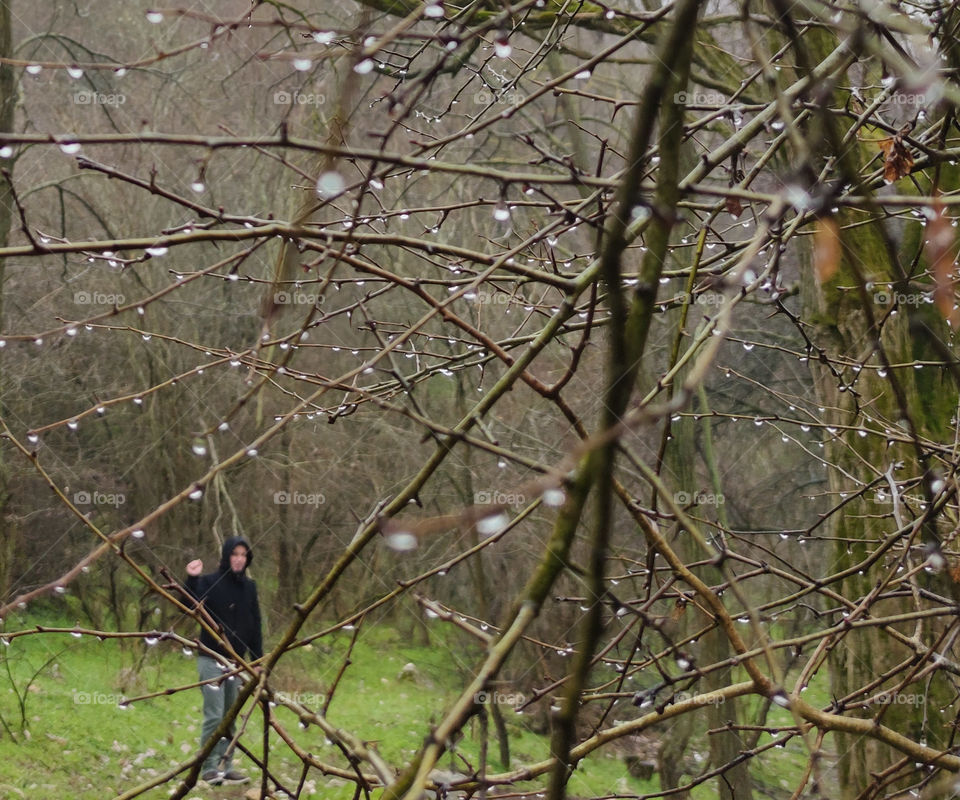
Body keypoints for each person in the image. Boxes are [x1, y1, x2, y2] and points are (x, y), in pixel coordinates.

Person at [184, 535, 263, 787]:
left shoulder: (250, 587)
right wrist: (191, 578)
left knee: (231, 715)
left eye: (243, 555)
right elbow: (188, 604)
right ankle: (208, 767)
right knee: (214, 714)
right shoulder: (209, 581)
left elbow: (255, 625)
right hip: (211, 658)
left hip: (237, 663)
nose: (239, 559)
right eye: (235, 554)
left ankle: (226, 766)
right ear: (227, 556)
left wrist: (257, 660)